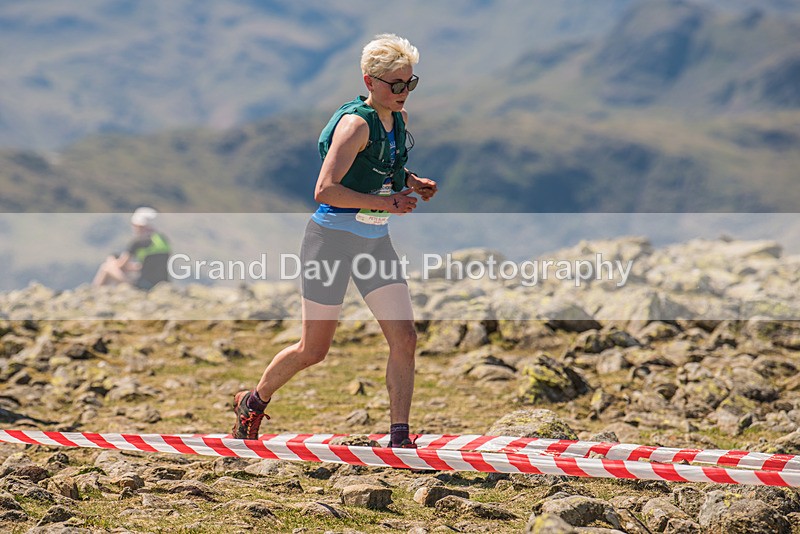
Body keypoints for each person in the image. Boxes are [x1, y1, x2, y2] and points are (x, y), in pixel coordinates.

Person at [232, 34, 437, 448]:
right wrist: (389, 202)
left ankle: (399, 436)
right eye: (396, 84)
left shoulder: (399, 119)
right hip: (330, 242)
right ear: (370, 81)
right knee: (314, 349)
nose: (403, 92)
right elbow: (325, 189)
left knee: (405, 338)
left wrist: (412, 181)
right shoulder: (355, 125)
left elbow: (383, 164)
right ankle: (252, 402)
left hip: (375, 243)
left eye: (410, 83)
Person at [92, 207, 172, 290]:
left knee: (106, 268)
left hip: (144, 285)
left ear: (140, 226)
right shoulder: (163, 240)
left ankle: (94, 292)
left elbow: (121, 265)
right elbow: (154, 265)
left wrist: (112, 260)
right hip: (163, 284)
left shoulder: (138, 242)